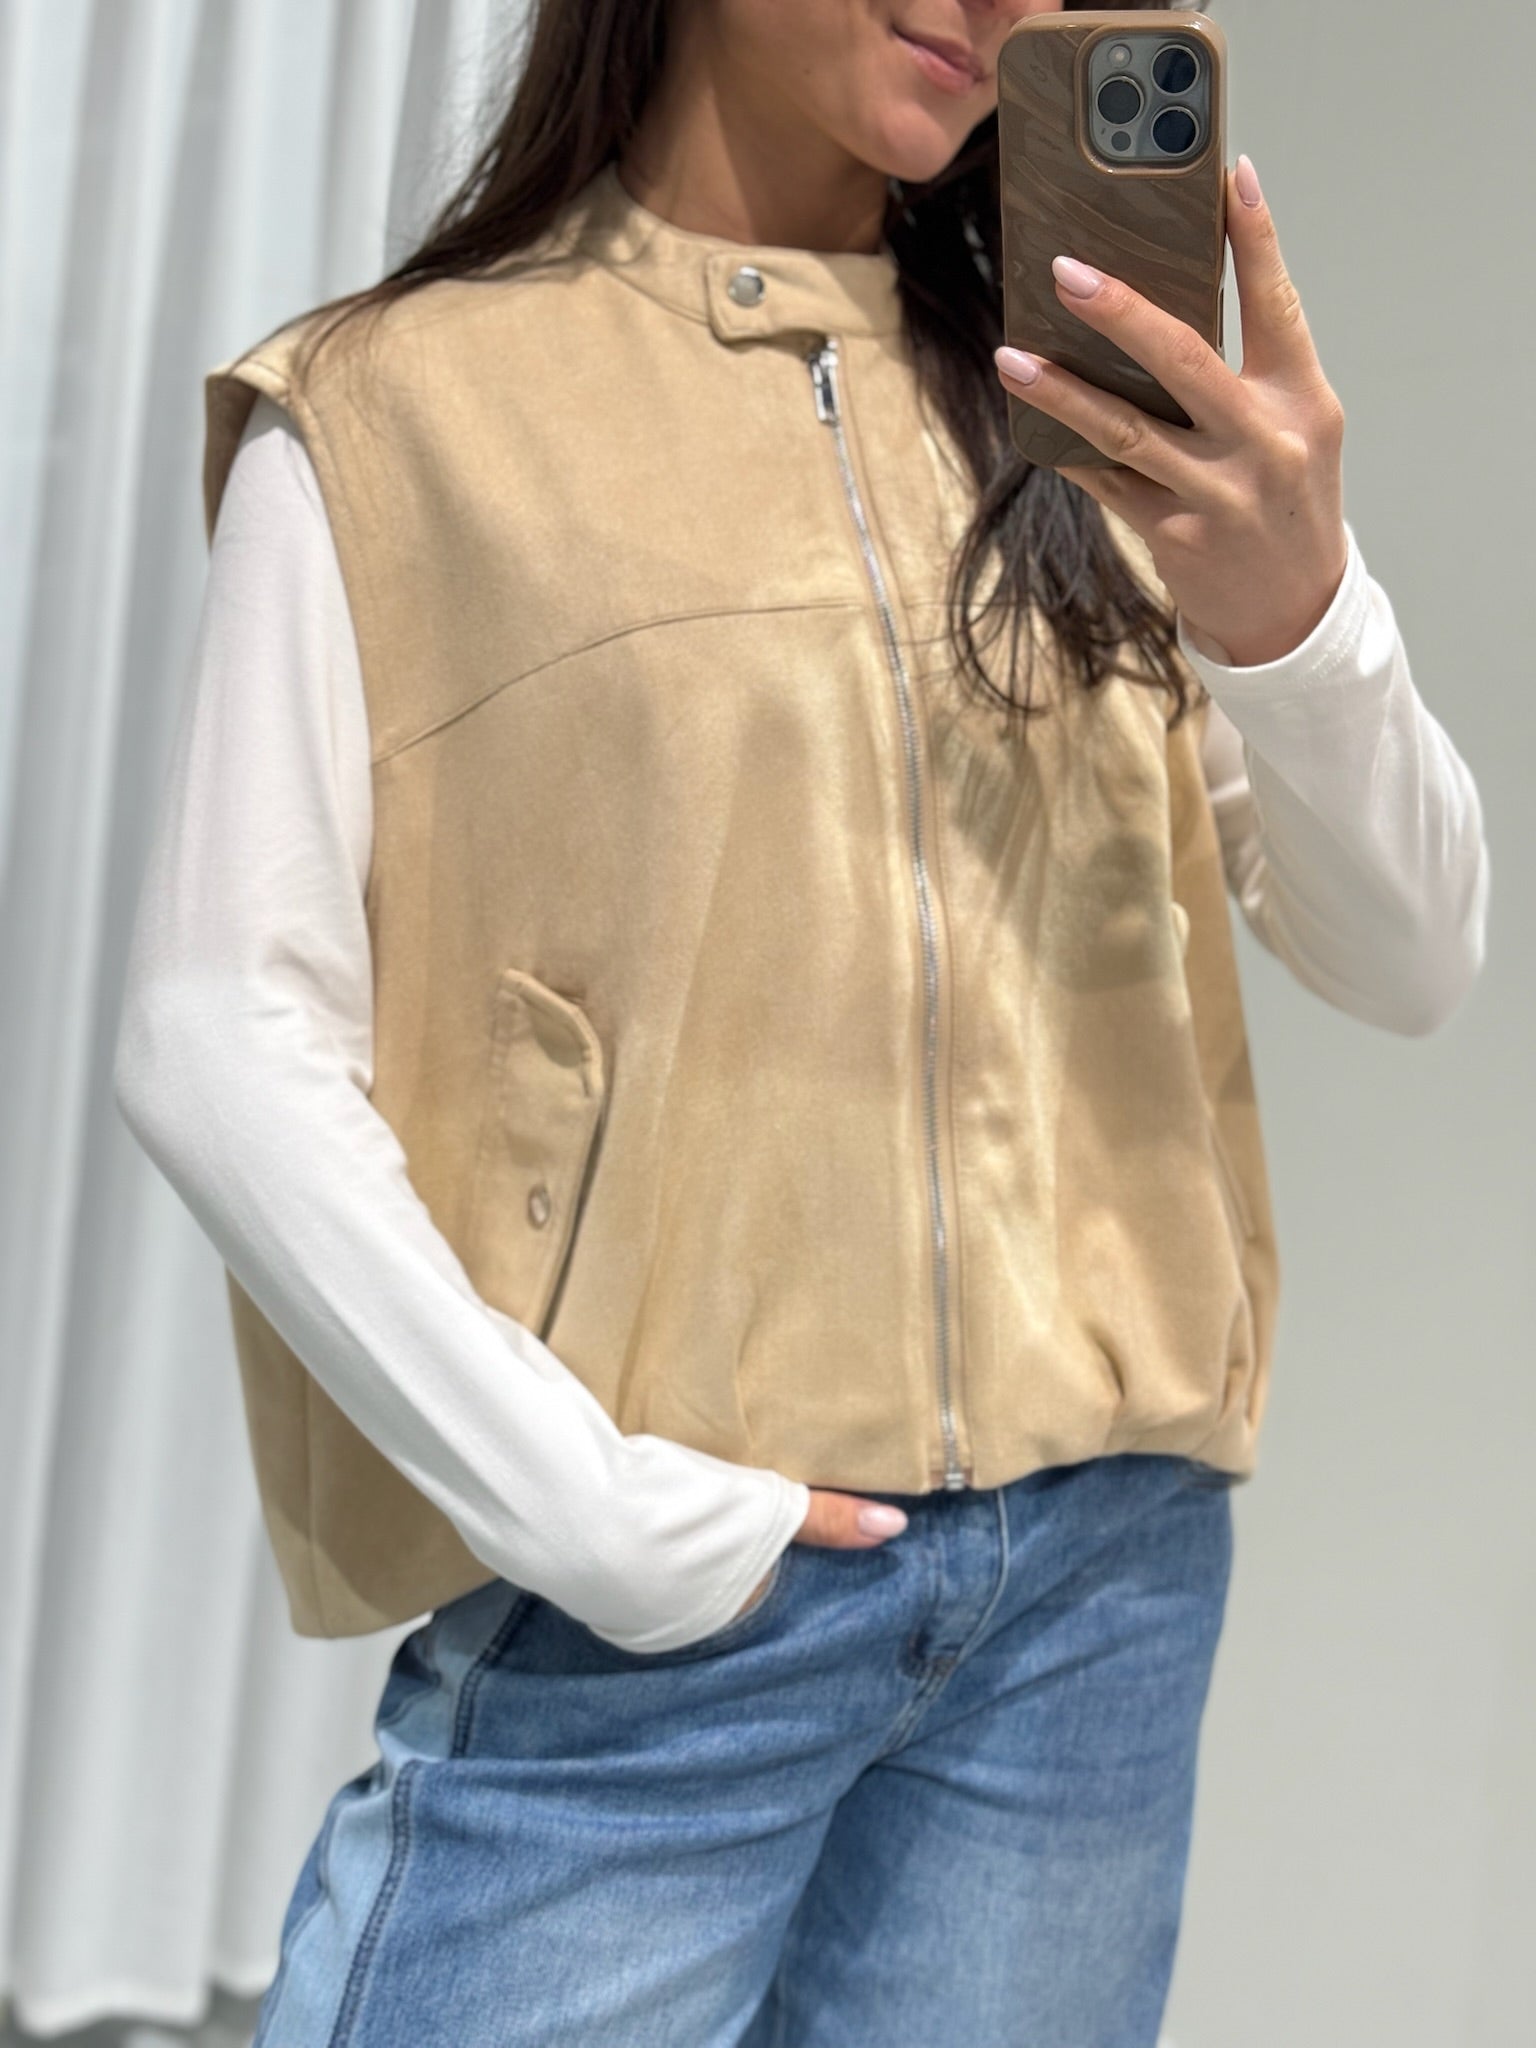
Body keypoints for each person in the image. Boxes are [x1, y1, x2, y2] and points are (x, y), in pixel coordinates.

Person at [113, 1, 1489, 2042]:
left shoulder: (1084, 420)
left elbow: (1414, 951)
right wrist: (594, 1515)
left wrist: (1302, 616)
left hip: (1094, 1598)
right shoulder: (401, 413)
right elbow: (216, 1031)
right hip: (680, 1615)